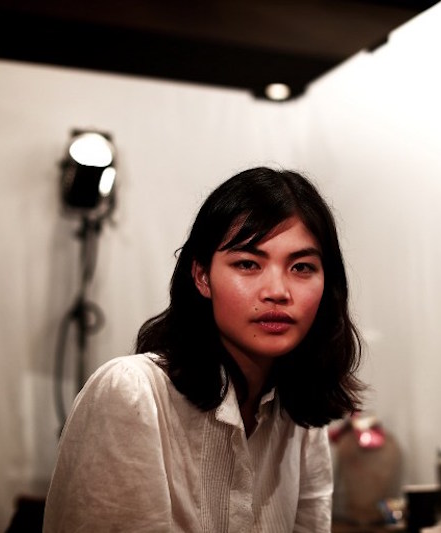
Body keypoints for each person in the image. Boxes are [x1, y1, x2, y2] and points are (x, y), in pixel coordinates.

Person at [42, 166, 364, 532]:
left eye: (302, 267)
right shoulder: (132, 392)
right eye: (248, 263)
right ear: (202, 276)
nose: (277, 290)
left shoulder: (298, 414)